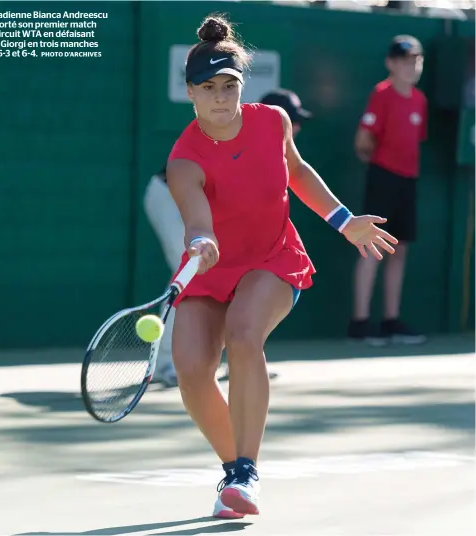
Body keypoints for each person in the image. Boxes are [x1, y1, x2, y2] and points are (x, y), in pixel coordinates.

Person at [166, 14, 397, 519]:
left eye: (230, 86)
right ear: (191, 93)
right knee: (190, 370)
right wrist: (201, 241)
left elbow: (295, 169)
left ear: (242, 86)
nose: (221, 98)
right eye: (209, 88)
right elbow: (195, 217)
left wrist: (344, 221)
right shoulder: (184, 158)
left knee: (244, 335)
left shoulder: (274, 122)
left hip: (272, 258)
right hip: (210, 265)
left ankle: (247, 469)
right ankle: (234, 475)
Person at [145, 89, 313, 388]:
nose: (295, 127)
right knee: (188, 275)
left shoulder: (269, 140)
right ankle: (167, 364)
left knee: (247, 280)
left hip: (204, 209)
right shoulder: (240, 133)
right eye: (293, 120)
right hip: (170, 198)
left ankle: (241, 355)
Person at [349, 35, 428, 346]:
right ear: (391, 64)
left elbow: (415, 140)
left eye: (416, 61)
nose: (411, 67)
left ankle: (391, 320)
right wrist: (381, 165)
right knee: (372, 247)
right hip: (383, 178)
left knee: (399, 248)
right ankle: (360, 323)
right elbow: (363, 141)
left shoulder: (420, 100)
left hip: (408, 181)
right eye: (405, 61)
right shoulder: (381, 95)